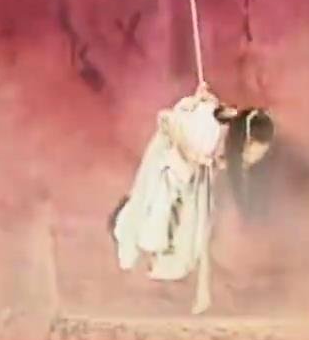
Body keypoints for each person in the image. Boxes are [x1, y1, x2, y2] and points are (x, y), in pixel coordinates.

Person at [110, 83, 273, 314]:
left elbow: (218, 148)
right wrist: (192, 153)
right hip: (170, 166)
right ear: (246, 141)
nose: (252, 161)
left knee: (197, 231)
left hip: (192, 173)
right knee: (153, 223)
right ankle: (132, 227)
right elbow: (166, 119)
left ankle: (202, 293)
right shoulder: (206, 130)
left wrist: (205, 158)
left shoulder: (230, 129)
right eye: (253, 154)